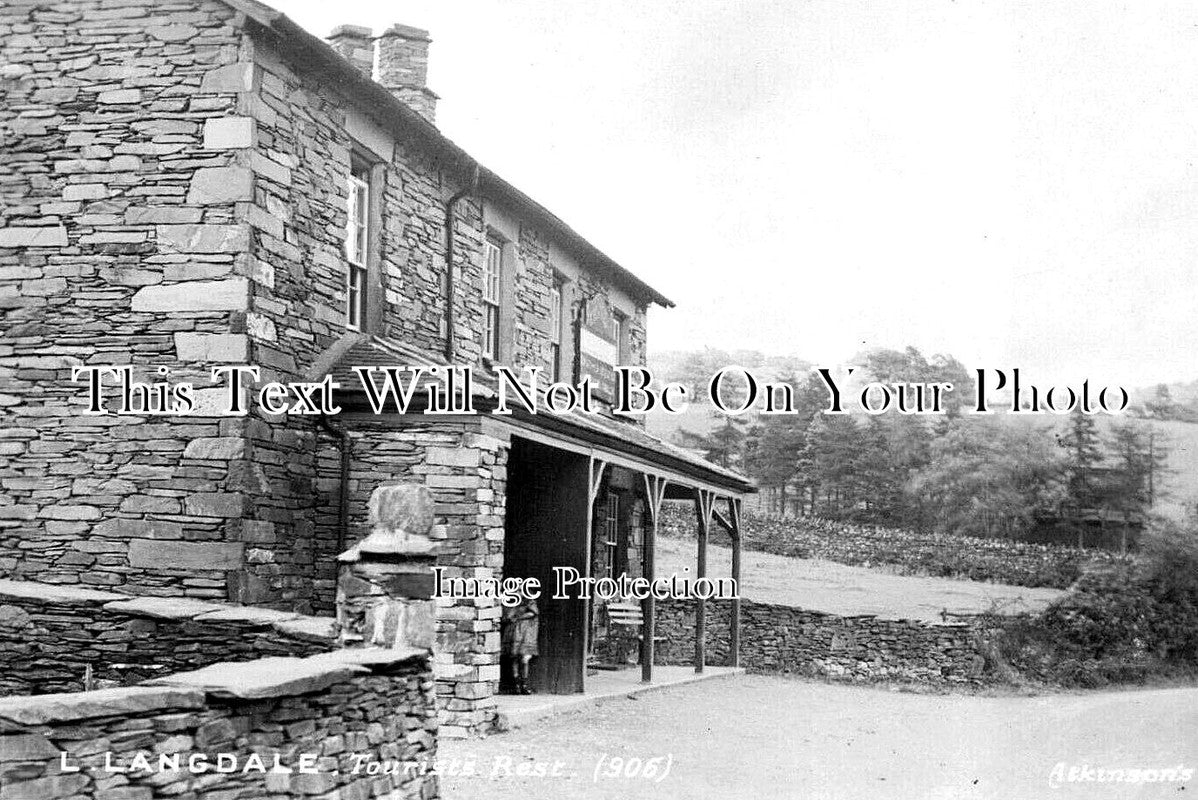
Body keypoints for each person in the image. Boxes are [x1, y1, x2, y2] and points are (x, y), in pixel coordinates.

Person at [501, 596, 539, 694]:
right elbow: (507, 616)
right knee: (514, 658)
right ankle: (517, 685)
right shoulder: (510, 601)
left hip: (525, 632)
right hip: (514, 632)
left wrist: (518, 617)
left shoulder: (528, 601)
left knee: (524, 658)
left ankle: (524, 684)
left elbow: (533, 613)